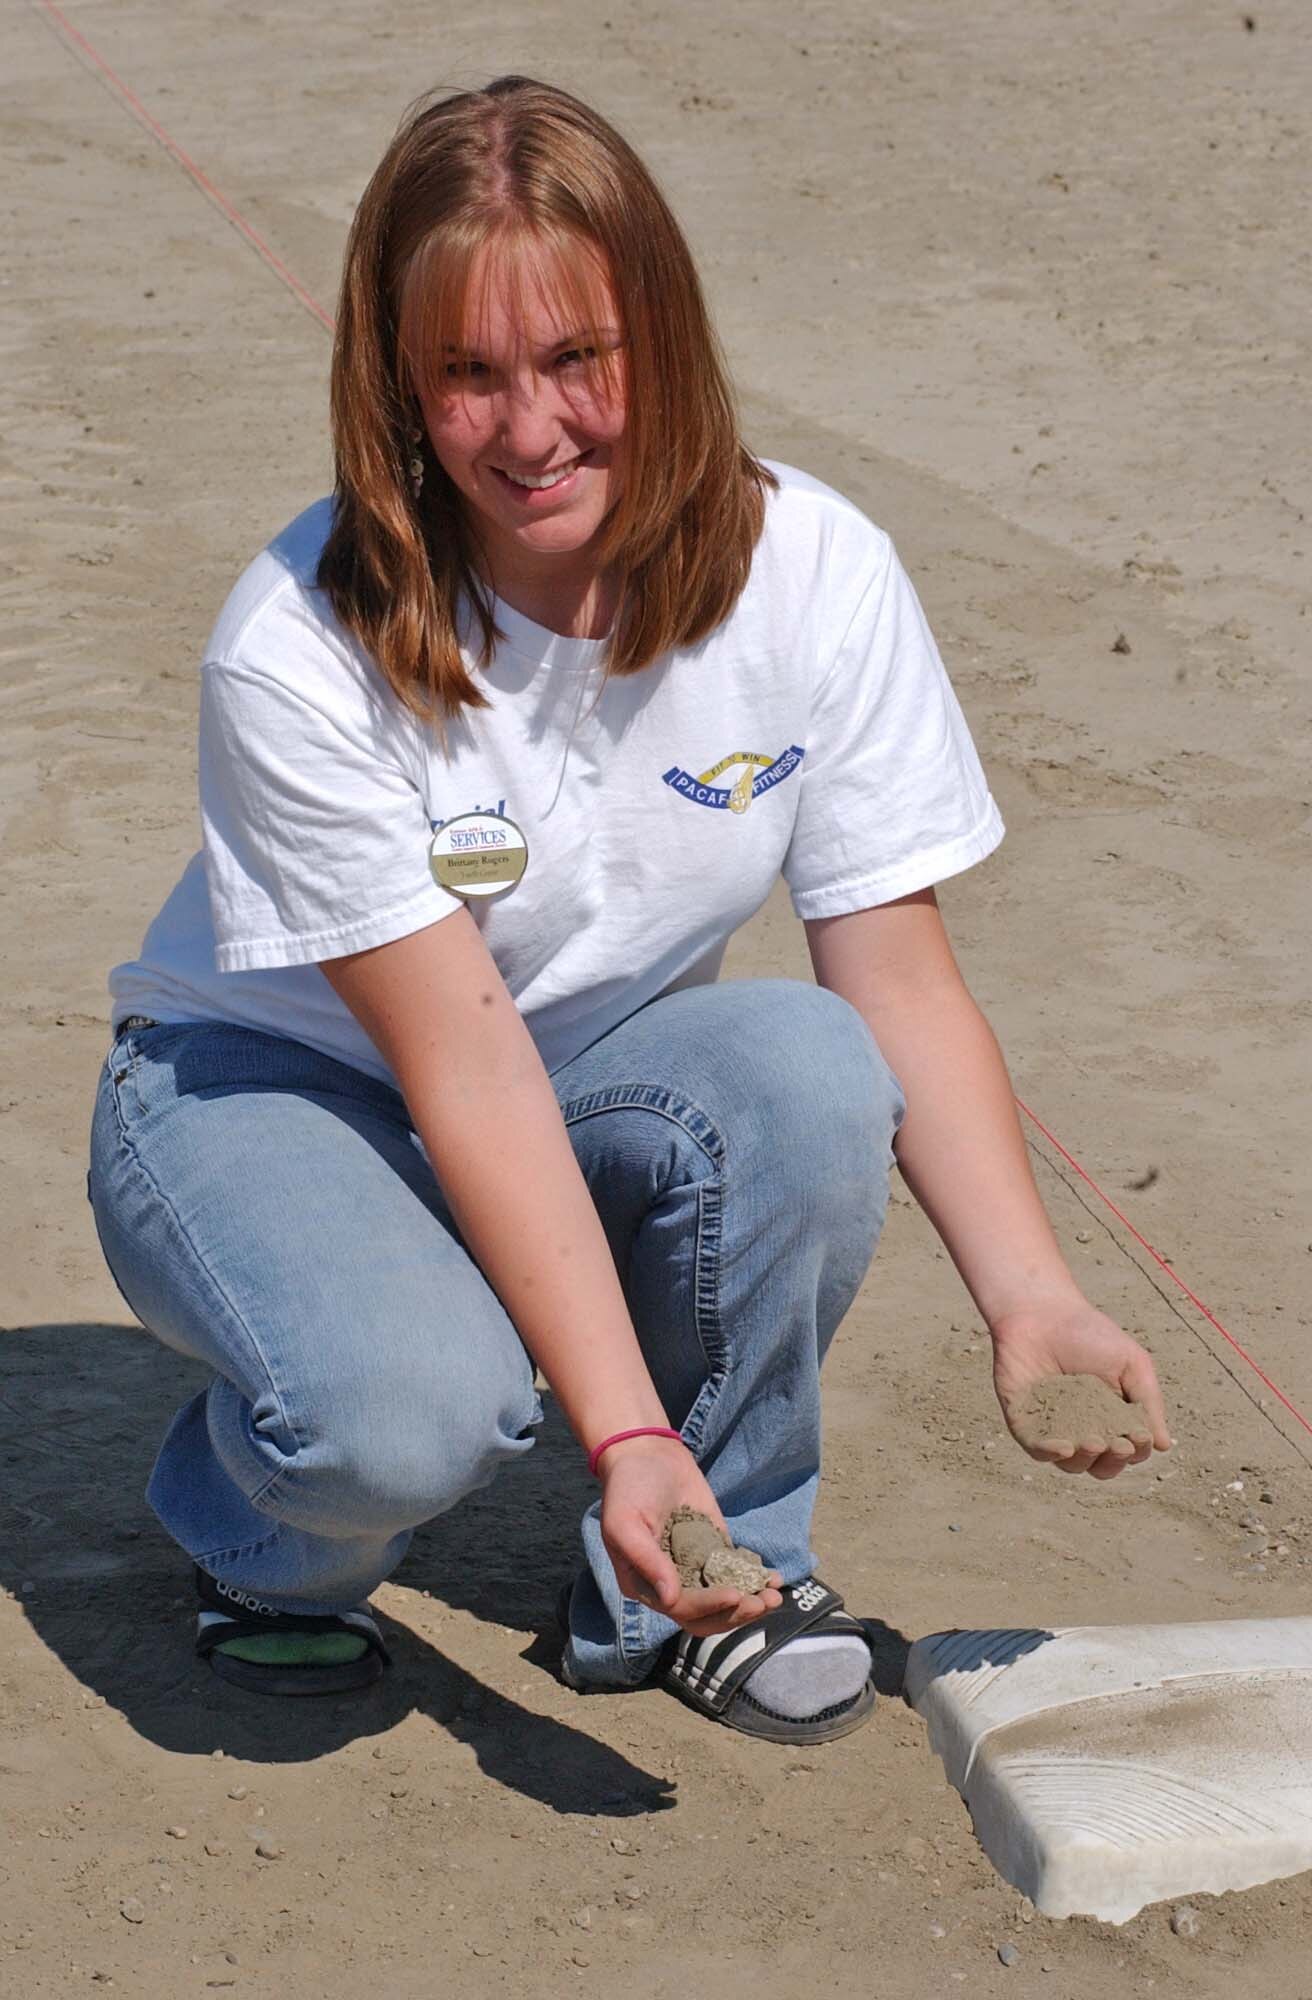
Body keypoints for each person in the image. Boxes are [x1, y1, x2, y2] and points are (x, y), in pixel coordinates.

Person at [89, 75, 1170, 1743]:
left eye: (575, 360)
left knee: (813, 1067)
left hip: (580, 1068)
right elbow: (459, 1070)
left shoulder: (817, 571)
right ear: (397, 384)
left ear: (660, 339)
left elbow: (898, 976)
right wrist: (618, 1418)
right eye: (467, 374)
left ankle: (712, 1576)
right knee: (405, 1414)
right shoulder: (298, 648)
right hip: (272, 1094)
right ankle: (267, 1539)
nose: (530, 433)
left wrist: (1029, 1296)